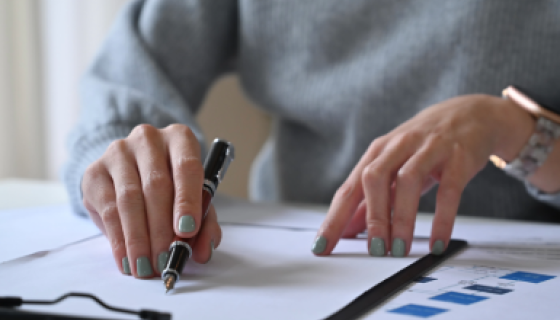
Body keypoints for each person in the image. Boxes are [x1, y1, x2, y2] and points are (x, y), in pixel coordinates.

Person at [65, 0, 560, 279]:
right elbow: (128, 79)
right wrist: (130, 163)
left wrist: (519, 131)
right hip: (293, 254)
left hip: (516, 269)